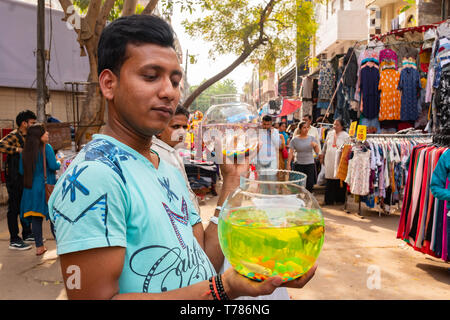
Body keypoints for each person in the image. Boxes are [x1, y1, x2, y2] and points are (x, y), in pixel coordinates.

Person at [48, 15, 315, 300]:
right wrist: (224, 288)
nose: (168, 92)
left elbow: (203, 259)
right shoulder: (94, 176)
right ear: (109, 84)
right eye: (151, 77)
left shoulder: (167, 168)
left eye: (175, 81)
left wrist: (231, 180)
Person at [19, 124, 61, 255]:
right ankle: (61, 247)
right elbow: (54, 165)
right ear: (39, 136)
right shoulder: (46, 148)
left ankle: (39, 247)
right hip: (46, 188)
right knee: (54, 218)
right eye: (44, 132)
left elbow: (21, 171)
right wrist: (60, 160)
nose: (47, 134)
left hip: (30, 190)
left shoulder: (25, 150)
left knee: (36, 219)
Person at [152, 105, 200, 214]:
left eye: (185, 127)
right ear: (159, 129)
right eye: (176, 126)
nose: (182, 132)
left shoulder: (172, 151)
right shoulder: (156, 154)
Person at [0, 110, 36, 250]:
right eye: (32, 123)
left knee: (24, 205)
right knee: (14, 208)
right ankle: (14, 239)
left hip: (25, 176)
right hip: (14, 179)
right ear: (24, 123)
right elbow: (1, 145)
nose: (33, 125)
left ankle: (27, 233)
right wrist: (17, 150)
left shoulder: (29, 136)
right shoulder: (14, 136)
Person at [319, 118, 349, 205]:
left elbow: (347, 149)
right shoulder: (329, 133)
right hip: (329, 159)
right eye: (334, 124)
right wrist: (322, 155)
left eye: (337, 125)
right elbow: (325, 146)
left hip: (340, 160)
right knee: (329, 179)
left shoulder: (346, 136)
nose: (334, 126)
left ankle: (340, 200)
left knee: (339, 179)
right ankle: (329, 200)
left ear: (342, 126)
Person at [287, 122, 320, 192]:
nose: (306, 129)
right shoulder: (294, 140)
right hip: (298, 164)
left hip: (310, 164)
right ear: (300, 129)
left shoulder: (312, 138)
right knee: (298, 184)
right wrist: (288, 164)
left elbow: (317, 151)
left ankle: (308, 199)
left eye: (307, 127)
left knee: (309, 184)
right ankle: (299, 198)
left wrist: (315, 145)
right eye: (304, 127)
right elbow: (290, 153)